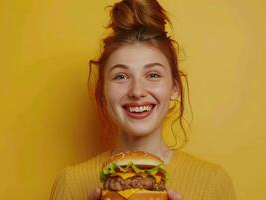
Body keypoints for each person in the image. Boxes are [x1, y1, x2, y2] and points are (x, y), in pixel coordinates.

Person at [50, 0, 237, 199]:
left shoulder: (212, 183)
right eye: (121, 76)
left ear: (174, 88)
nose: (137, 91)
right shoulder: (71, 183)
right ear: (102, 91)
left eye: (153, 75)